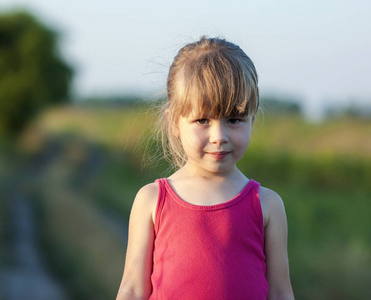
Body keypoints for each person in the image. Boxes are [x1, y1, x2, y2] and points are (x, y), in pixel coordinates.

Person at [116, 37, 294, 300]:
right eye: (202, 120)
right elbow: (132, 290)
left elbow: (280, 292)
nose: (218, 136)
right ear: (175, 122)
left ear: (253, 118)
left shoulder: (267, 205)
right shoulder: (152, 201)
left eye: (234, 119)